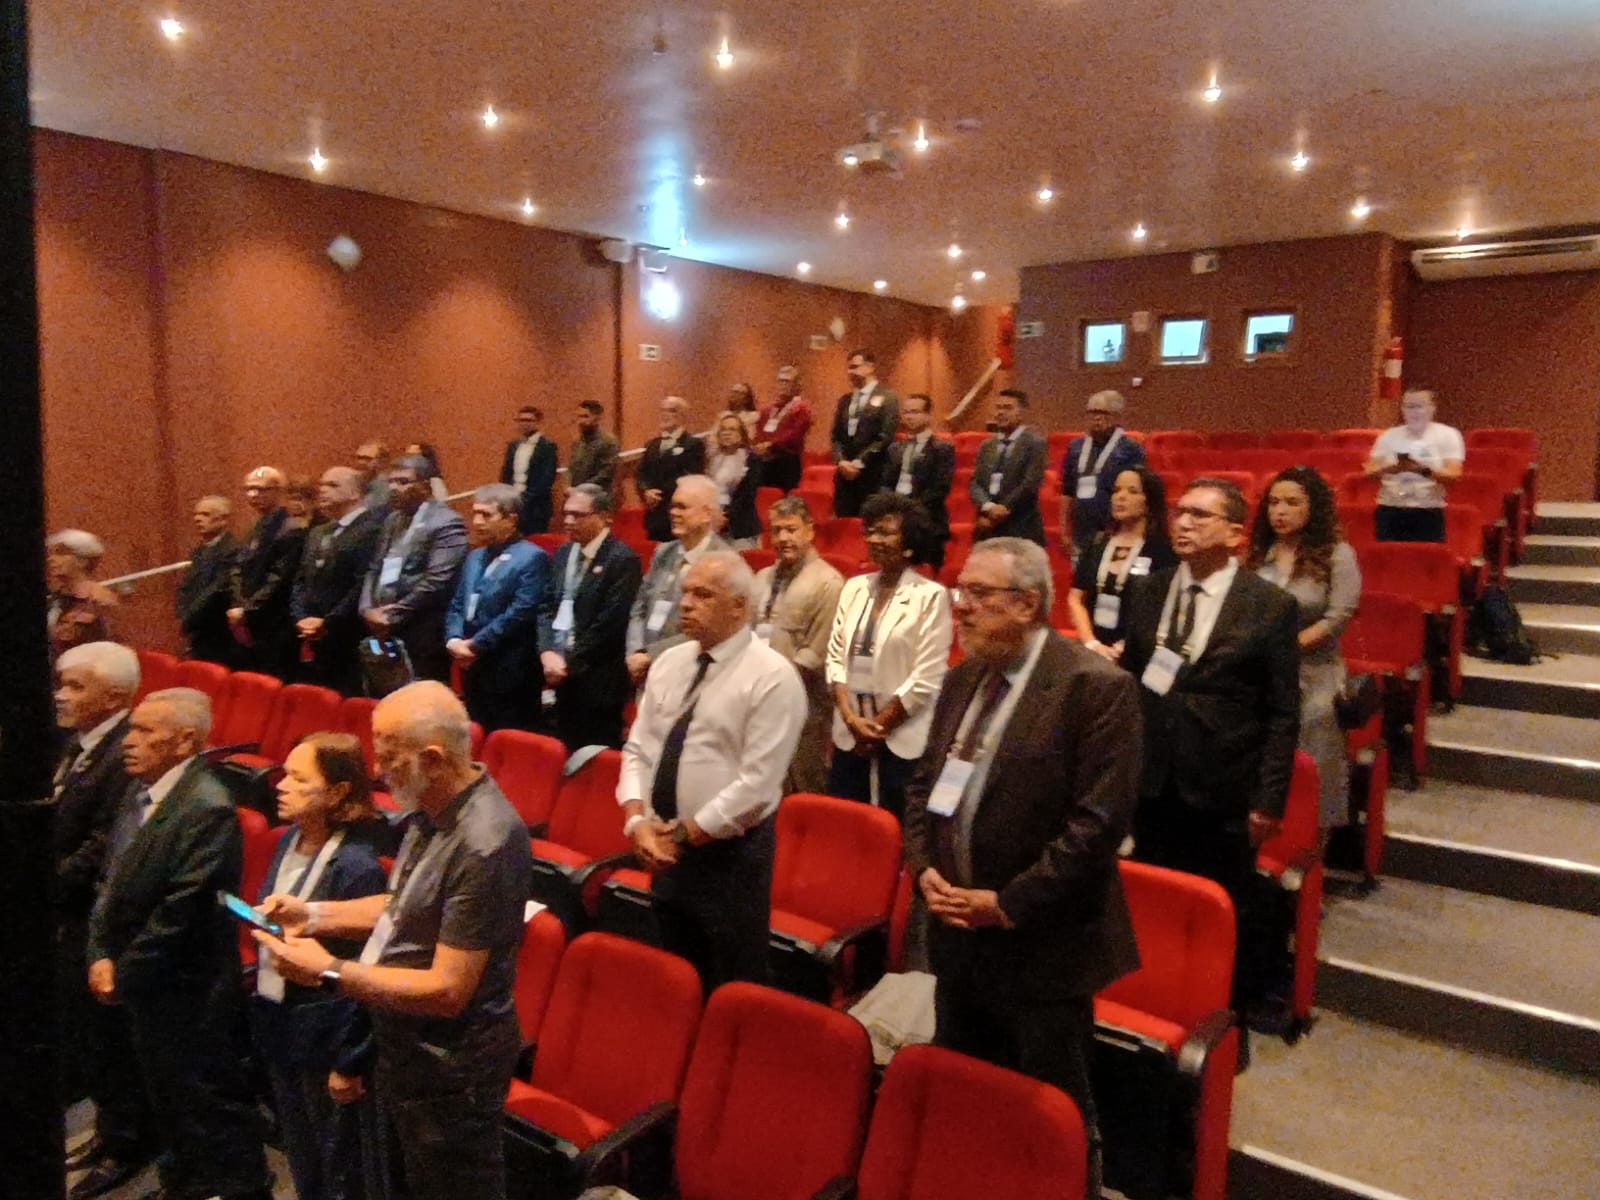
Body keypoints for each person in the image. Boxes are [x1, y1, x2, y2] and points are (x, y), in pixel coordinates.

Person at [903, 538, 1141, 1200]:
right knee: (968, 1095)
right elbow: (922, 790)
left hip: (1043, 946)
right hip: (957, 936)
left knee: (1051, 1115)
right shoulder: (963, 679)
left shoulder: (1094, 687)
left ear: (1027, 604)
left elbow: (1095, 829)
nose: (962, 607)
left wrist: (1007, 903)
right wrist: (923, 868)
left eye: (979, 594)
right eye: (962, 592)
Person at [255, 682, 531, 1200]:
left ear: (433, 758)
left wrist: (329, 972)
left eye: (389, 758)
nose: (379, 772)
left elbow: (449, 989)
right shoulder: (430, 810)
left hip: (451, 1068)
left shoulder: (485, 842)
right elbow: (403, 907)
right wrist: (313, 914)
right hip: (406, 1046)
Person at [1120, 477, 1300, 1041]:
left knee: (1222, 907)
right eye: (1181, 512)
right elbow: (1134, 683)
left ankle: (1222, 1023)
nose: (1184, 523)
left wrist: (1268, 800)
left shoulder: (1269, 606)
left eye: (1200, 515)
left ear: (1235, 533)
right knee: (1155, 898)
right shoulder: (1149, 591)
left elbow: (1282, 713)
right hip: (1153, 781)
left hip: (1223, 784)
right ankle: (1158, 1006)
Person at [86, 687, 273, 1200]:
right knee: (164, 1096)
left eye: (145, 730)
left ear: (184, 741)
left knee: (204, 1102)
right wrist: (99, 952)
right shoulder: (139, 790)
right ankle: (184, 1183)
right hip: (141, 977)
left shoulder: (207, 808)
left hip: (187, 987)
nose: (130, 740)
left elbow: (180, 912)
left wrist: (122, 972)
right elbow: (110, 881)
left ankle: (233, 1189)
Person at [618, 552, 806, 990]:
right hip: (662, 846)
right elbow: (639, 749)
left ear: (739, 606)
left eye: (703, 595)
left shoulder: (773, 676)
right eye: (685, 592)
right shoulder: (670, 662)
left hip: (729, 857)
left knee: (731, 983)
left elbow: (757, 785)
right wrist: (636, 821)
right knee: (673, 977)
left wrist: (682, 835)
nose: (686, 603)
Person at [249, 733, 389, 1200]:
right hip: (280, 1020)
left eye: (298, 778)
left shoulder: (357, 868)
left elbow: (365, 973)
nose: (280, 785)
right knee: (303, 1156)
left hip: (326, 1037)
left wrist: (349, 1059)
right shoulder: (289, 839)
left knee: (338, 1170)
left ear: (337, 792)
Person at [53, 644, 155, 1200]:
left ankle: (126, 1143)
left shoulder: (124, 755)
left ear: (115, 697)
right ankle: (108, 1130)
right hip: (70, 916)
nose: (60, 696)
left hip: (97, 918)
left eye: (75, 686)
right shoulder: (81, 743)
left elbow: (102, 846)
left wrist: (42, 884)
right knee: (87, 1036)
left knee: (108, 1039)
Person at [1247, 466, 1362, 838]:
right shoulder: (1259, 554)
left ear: (1313, 508)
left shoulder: (1337, 555)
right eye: (1274, 503)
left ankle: (1311, 847)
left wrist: (1284, 649)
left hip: (1314, 671)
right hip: (1262, 672)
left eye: (1292, 503)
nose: (1280, 511)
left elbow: (1337, 618)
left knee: (1314, 756)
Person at [825, 493, 952, 821]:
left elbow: (926, 677)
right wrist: (851, 719)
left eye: (884, 532)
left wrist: (878, 727)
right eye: (870, 531)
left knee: (897, 829)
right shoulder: (854, 587)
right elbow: (835, 657)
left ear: (908, 543)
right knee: (846, 825)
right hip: (850, 732)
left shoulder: (930, 596)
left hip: (902, 737)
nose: (873, 539)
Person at [751, 497, 845, 794]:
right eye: (776, 530)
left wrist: (771, 686)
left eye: (791, 529)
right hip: (757, 701)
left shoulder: (829, 582)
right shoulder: (761, 578)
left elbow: (816, 653)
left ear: (809, 531)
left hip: (804, 704)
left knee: (801, 786)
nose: (783, 538)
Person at [538, 484, 642, 751]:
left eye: (578, 515)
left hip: (596, 682)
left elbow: (609, 625)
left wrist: (566, 663)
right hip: (559, 672)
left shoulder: (622, 559)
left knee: (592, 757)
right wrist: (547, 651)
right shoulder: (564, 553)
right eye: (566, 514)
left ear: (604, 517)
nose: (568, 521)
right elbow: (546, 606)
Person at [445, 485, 550, 733]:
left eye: (486, 515)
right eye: (475, 513)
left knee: (509, 739)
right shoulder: (474, 556)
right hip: (472, 667)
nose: (477, 522)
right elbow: (457, 604)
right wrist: (453, 639)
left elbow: (520, 611)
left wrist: (475, 645)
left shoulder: (533, 557)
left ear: (511, 520)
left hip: (510, 671)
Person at [360, 454, 469, 684]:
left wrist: (391, 615)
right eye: (391, 482)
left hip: (421, 627)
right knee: (384, 692)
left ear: (425, 486)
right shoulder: (393, 520)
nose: (393, 488)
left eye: (403, 482)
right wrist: (367, 608)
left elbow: (436, 581)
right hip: (381, 625)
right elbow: (374, 568)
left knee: (420, 696)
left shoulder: (447, 522)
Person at [626, 475, 730, 687]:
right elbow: (640, 606)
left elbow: (710, 627)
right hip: (644, 671)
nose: (673, 512)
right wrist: (635, 651)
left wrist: (652, 655)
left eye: (682, 507)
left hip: (689, 674)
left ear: (706, 514)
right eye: (672, 506)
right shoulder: (664, 552)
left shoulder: (723, 562)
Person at [1067, 467, 1176, 662]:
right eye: (1116, 490)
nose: (1120, 497)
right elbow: (1076, 599)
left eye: (1132, 491)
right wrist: (1091, 643)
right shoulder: (1096, 543)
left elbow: (1164, 609)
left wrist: (1124, 647)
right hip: (1094, 651)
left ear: (1149, 503)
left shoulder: (1163, 550)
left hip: (1137, 655)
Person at [292, 467, 385, 696]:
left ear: (355, 493)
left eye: (332, 485)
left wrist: (328, 622)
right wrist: (301, 617)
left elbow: (362, 584)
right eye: (322, 485)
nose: (323, 490)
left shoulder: (372, 529)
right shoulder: (318, 532)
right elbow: (301, 580)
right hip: (313, 635)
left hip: (349, 636)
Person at [228, 466, 305, 679]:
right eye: (249, 489)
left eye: (261, 489)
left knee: (275, 678)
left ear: (279, 491)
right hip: (249, 617)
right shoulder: (256, 526)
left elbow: (280, 578)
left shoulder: (292, 528)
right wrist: (239, 603)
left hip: (276, 621)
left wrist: (248, 609)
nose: (253, 495)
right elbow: (238, 567)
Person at [1060, 390, 1146, 571]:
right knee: (1081, 579)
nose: (1096, 418)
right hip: (1081, 531)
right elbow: (1067, 491)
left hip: (1114, 529)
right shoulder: (1076, 447)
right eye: (1092, 412)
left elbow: (1138, 491)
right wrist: (1063, 529)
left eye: (1103, 413)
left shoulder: (1129, 448)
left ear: (1117, 416)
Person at [1364, 388, 1465, 543]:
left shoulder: (1448, 435)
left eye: (1420, 406)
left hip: (1427, 510)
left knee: (1425, 555)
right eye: (1409, 407)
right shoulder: (1389, 436)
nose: (1414, 412)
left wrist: (1422, 470)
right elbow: (1368, 473)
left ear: (1432, 408)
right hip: (1390, 508)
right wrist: (1390, 469)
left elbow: (1454, 475)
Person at [880, 392, 956, 569]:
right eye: (906, 412)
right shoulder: (895, 448)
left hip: (927, 518)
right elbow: (886, 482)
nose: (909, 417)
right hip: (897, 516)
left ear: (928, 415)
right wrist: (892, 507)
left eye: (915, 412)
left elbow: (940, 488)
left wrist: (909, 510)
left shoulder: (942, 449)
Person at [970, 388, 1048, 545]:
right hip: (987, 527)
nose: (1001, 412)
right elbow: (975, 483)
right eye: (998, 407)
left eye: (1007, 408)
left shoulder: (1035, 444)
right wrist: (988, 507)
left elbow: (1030, 483)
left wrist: (1003, 508)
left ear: (1021, 413)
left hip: (1021, 526)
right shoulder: (986, 445)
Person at [830, 348, 900, 517]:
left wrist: (859, 462)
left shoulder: (888, 398)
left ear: (870, 367)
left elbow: (885, 437)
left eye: (854, 367)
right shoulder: (845, 400)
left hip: (873, 474)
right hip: (845, 477)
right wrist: (841, 461)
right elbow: (836, 436)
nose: (850, 372)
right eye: (848, 368)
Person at [176, 496, 238, 664]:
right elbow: (186, 585)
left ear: (223, 519)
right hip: (198, 630)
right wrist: (182, 612)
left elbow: (217, 590)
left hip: (218, 631)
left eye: (205, 514)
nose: (197, 519)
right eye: (196, 514)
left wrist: (190, 616)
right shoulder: (198, 551)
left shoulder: (232, 549)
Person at [636, 396, 707, 542]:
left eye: (672, 411)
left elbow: (690, 478)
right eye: (662, 410)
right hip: (655, 516)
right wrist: (646, 491)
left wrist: (660, 493)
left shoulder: (693, 444)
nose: (665, 414)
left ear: (683, 415)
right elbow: (641, 473)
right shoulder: (652, 445)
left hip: (678, 514)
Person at [46, 529, 117, 661]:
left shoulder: (99, 600)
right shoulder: (54, 599)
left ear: (82, 561)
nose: (51, 559)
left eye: (61, 553)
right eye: (51, 554)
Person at [752, 364, 812, 492]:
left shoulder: (801, 409)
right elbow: (759, 430)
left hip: (786, 463)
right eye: (780, 381)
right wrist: (759, 445)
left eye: (787, 381)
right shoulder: (767, 409)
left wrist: (771, 445)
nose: (782, 385)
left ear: (797, 385)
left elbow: (794, 435)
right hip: (764, 460)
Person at [500, 404, 558, 534]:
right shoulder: (513, 445)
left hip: (536, 507)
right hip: (514, 504)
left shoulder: (547, 446)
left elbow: (546, 479)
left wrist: (525, 500)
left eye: (528, 420)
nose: (524, 424)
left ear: (538, 422)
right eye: (521, 420)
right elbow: (506, 473)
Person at [706, 412, 762, 546]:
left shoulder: (751, 460)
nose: (727, 433)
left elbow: (747, 496)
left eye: (732, 429)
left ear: (741, 435)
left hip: (740, 526)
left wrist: (725, 516)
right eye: (723, 429)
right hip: (712, 523)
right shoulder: (710, 459)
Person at [568, 399, 620, 493]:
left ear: (597, 418)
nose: (580, 421)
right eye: (578, 416)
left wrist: (581, 489)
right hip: (577, 495)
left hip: (598, 495)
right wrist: (568, 486)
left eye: (585, 416)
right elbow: (572, 469)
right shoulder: (578, 442)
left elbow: (606, 473)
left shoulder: (608, 442)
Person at [354, 441, 391, 512]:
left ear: (383, 459)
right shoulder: (363, 478)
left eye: (367, 458)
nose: (362, 462)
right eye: (360, 458)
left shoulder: (390, 480)